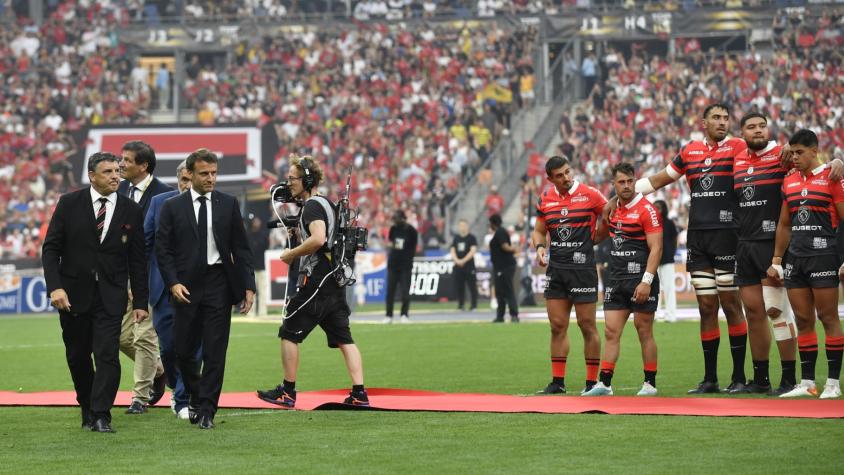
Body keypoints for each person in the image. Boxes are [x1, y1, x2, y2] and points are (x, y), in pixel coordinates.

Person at [633, 103, 748, 394]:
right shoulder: (690, 150)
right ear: (703, 122)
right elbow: (660, 179)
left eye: (726, 118)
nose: (723, 122)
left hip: (728, 237)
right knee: (706, 307)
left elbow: (769, 151)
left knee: (731, 305)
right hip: (698, 238)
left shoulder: (738, 146)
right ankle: (710, 378)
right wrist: (622, 193)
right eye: (716, 118)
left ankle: (739, 377)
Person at [42, 152, 149, 433]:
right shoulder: (68, 203)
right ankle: (87, 406)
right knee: (77, 356)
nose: (116, 175)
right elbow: (51, 248)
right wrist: (55, 286)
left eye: (118, 170)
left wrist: (140, 301)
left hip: (111, 297)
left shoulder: (131, 209)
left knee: (107, 355)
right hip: (73, 295)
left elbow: (138, 260)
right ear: (91, 175)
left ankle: (102, 414)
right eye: (108, 172)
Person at [257, 155, 368, 408]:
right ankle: (359, 393)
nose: (289, 183)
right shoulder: (325, 203)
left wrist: (290, 253)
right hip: (334, 279)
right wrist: (297, 235)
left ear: (307, 180)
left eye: (293, 178)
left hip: (318, 279)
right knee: (344, 338)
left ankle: (287, 392)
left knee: (288, 331)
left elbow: (318, 239)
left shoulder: (312, 206)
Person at [155, 149, 255, 429]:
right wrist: (173, 282)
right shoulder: (173, 207)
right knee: (182, 351)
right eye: (204, 174)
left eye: (214, 173)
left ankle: (208, 409)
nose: (210, 178)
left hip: (219, 284)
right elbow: (163, 250)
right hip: (185, 287)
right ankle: (197, 397)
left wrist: (248, 285)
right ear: (190, 174)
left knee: (215, 351)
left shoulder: (228, 203)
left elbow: (241, 248)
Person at [767, 129, 844, 399]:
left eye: (800, 152)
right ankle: (808, 382)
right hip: (795, 259)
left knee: (828, 317)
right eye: (793, 152)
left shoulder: (833, 177)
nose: (795, 157)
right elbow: (785, 224)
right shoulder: (789, 180)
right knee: (803, 319)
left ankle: (833, 383)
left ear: (814, 150)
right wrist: (777, 259)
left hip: (823, 255)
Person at [732, 113, 799, 395]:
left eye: (762, 125)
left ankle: (789, 379)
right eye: (751, 127)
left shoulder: (782, 155)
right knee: (754, 313)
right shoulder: (737, 158)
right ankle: (761, 380)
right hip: (745, 243)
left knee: (777, 311)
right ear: (742, 133)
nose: (758, 130)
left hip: (773, 245)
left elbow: (813, 162)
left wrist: (837, 162)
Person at [584, 163, 662, 396]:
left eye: (630, 181)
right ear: (613, 184)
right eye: (622, 182)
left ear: (634, 181)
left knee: (643, 330)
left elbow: (656, 248)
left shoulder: (647, 210)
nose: (627, 186)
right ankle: (605, 383)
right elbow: (597, 237)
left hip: (641, 279)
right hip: (616, 278)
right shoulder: (611, 210)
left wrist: (647, 281)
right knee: (610, 331)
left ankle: (650, 384)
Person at [533, 155, 607, 394]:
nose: (566, 178)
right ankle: (557, 382)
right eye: (559, 175)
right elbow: (538, 230)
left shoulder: (591, 194)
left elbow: (610, 215)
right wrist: (540, 247)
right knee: (557, 326)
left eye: (567, 172)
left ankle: (591, 382)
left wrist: (595, 238)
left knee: (587, 325)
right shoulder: (545, 199)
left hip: (583, 269)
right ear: (550, 179)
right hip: (557, 270)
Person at [118, 140, 172, 414]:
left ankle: (139, 398)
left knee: (144, 337)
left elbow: (161, 243)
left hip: (151, 279)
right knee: (121, 336)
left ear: (143, 166)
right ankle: (159, 369)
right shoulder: (122, 190)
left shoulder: (165, 195)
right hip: (123, 277)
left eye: (127, 160)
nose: (121, 164)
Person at [144, 160, 193, 419]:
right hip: (162, 290)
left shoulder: (208, 205)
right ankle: (175, 384)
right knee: (168, 348)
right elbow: (145, 243)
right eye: (183, 180)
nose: (186, 185)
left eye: (190, 179)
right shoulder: (159, 202)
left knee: (191, 346)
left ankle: (184, 398)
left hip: (197, 289)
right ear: (178, 180)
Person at [383, 210, 417, 323]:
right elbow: (391, 243)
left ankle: (404, 314)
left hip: (405, 266)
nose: (395, 221)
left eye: (397, 219)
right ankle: (389, 315)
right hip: (393, 264)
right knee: (390, 291)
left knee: (405, 291)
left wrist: (408, 259)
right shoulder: (393, 229)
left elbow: (413, 247)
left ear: (403, 218)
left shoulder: (411, 231)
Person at [488, 214, 518, 323]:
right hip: (500, 267)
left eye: (490, 222)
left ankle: (514, 315)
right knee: (500, 292)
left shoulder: (500, 232)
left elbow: (505, 246)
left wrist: (514, 249)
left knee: (507, 290)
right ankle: (500, 316)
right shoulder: (500, 232)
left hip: (505, 266)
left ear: (493, 223)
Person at [653, 200, 678, 323]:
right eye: (655, 207)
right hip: (654, 260)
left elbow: (675, 240)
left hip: (667, 259)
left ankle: (671, 315)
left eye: (659, 208)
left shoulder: (669, 223)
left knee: (669, 288)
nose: (657, 210)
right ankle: (655, 314)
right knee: (655, 289)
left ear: (664, 209)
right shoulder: (651, 223)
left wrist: (671, 253)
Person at [450, 218, 478, 311]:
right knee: (459, 286)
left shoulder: (471, 238)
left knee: (472, 286)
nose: (462, 227)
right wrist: (457, 260)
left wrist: (463, 260)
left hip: (469, 265)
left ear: (467, 226)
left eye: (464, 225)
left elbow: (473, 251)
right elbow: (452, 250)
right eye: (460, 225)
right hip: (458, 266)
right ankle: (461, 304)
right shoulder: (456, 238)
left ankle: (473, 305)